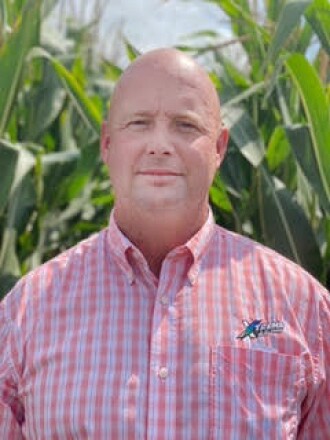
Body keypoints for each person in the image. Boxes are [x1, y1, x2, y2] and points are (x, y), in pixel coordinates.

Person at [0, 48, 329, 439]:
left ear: (220, 148)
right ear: (107, 144)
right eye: (139, 123)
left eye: (186, 126)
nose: (160, 144)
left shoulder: (301, 306)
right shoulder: (26, 313)